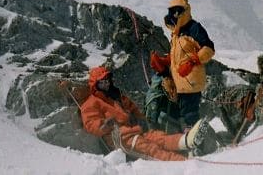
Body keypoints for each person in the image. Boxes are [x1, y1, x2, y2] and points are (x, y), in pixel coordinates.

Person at [80, 66, 211, 161]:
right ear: (95, 85)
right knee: (149, 148)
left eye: (107, 81)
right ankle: (182, 162)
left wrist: (140, 118)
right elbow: (90, 124)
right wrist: (104, 124)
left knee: (159, 137)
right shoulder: (91, 103)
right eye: (102, 82)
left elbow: (133, 108)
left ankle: (186, 141)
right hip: (120, 137)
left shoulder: (117, 96)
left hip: (135, 129)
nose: (106, 84)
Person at [164, 0, 215, 128]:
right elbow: (177, 57)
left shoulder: (194, 28)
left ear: (185, 10)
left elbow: (209, 48)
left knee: (189, 115)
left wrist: (192, 61)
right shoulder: (176, 34)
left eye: (178, 10)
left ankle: (197, 145)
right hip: (180, 83)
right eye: (173, 11)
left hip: (191, 80)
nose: (175, 14)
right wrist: (164, 64)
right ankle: (187, 141)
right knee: (180, 115)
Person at [144, 52, 181, 133]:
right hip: (162, 116)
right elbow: (173, 97)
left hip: (158, 115)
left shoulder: (156, 80)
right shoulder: (166, 79)